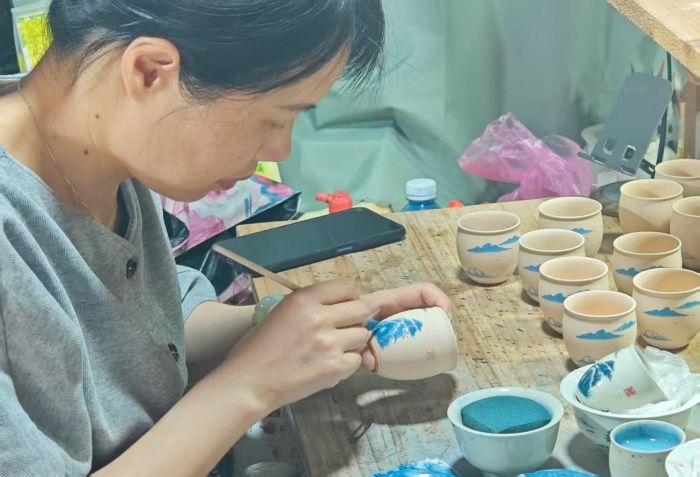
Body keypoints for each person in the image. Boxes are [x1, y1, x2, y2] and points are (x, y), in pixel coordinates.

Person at [0, 1, 453, 475]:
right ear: (149, 72)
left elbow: (140, 326)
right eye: (273, 119)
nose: (280, 150)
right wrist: (250, 385)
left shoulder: (92, 141)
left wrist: (299, 327)